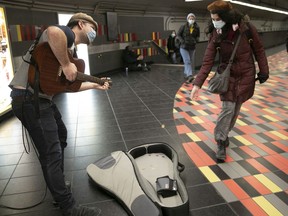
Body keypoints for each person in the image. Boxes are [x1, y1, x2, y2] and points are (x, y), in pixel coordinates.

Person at [9, 13, 110, 215]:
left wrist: (95, 85)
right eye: (93, 28)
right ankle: (69, 207)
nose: (95, 33)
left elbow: (64, 86)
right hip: (30, 101)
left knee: (60, 137)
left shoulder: (66, 50)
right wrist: (66, 64)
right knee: (51, 154)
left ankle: (58, 185)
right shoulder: (65, 35)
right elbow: (54, 31)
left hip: (38, 100)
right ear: (80, 24)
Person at [190, 0, 269, 162]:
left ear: (227, 17)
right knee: (227, 108)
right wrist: (197, 84)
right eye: (212, 18)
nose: (214, 21)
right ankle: (220, 141)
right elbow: (208, 60)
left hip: (246, 75)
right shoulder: (216, 33)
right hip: (227, 75)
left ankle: (224, 134)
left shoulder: (246, 29)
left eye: (216, 18)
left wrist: (264, 71)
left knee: (235, 110)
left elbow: (259, 50)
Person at [177, 13, 200, 83]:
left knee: (189, 60)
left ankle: (185, 73)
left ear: (194, 19)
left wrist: (196, 40)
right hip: (183, 47)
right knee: (187, 61)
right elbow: (178, 35)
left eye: (193, 18)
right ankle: (190, 75)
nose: (191, 19)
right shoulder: (183, 26)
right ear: (187, 19)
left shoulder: (196, 27)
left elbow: (198, 36)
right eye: (190, 18)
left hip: (192, 47)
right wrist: (182, 41)